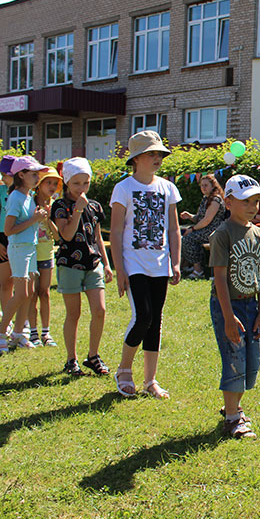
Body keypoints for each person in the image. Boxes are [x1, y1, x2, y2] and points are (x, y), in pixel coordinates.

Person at [109, 130, 182, 398]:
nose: (158, 158)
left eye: (160, 154)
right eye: (152, 153)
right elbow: (116, 232)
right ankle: (124, 369)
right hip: (134, 264)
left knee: (156, 321)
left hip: (160, 265)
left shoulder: (168, 188)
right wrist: (120, 270)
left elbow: (174, 230)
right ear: (137, 158)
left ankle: (150, 381)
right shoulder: (123, 188)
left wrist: (176, 262)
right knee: (143, 316)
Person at [208, 174, 260, 439]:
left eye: (257, 201)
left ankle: (232, 406)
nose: (252, 206)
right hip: (228, 306)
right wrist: (228, 317)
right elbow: (220, 278)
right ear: (229, 201)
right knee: (234, 359)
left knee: (250, 362)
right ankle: (233, 419)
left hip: (251, 306)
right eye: (246, 200)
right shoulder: (222, 235)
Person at [52, 157, 113, 377]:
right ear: (67, 181)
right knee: (74, 313)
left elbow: (97, 237)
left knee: (100, 310)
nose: (81, 188)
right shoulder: (60, 206)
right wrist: (77, 210)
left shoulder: (95, 206)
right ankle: (71, 359)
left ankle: (93, 356)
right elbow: (66, 235)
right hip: (69, 264)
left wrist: (106, 264)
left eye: (85, 183)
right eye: (76, 183)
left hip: (93, 263)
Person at [0, 156, 49, 355]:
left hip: (29, 248)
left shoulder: (28, 195)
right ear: (21, 175)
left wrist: (38, 216)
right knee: (22, 293)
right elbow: (8, 230)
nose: (37, 178)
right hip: (18, 250)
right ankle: (0, 333)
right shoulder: (16, 197)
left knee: (29, 293)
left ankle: (18, 333)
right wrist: (34, 218)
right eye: (33, 174)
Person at [27, 167, 62, 347]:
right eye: (48, 182)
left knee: (45, 293)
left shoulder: (55, 205)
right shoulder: (29, 202)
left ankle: (46, 333)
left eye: (55, 183)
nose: (52, 186)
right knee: (31, 293)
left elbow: (57, 236)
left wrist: (48, 219)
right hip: (30, 254)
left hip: (46, 253)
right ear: (39, 184)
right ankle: (33, 332)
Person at [0, 155, 18, 330]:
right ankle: (7, 320)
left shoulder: (25, 193)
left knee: (21, 281)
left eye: (9, 174)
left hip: (19, 237)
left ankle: (22, 320)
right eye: (5, 174)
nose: (6, 177)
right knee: (6, 282)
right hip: (1, 238)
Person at [180, 174, 226, 280]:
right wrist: (189, 216)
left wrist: (192, 229)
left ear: (213, 186)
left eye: (206, 185)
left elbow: (207, 220)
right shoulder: (205, 198)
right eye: (202, 186)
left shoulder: (215, 199)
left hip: (213, 230)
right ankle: (185, 266)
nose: (203, 188)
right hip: (204, 228)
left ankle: (198, 270)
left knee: (189, 238)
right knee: (180, 235)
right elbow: (199, 218)